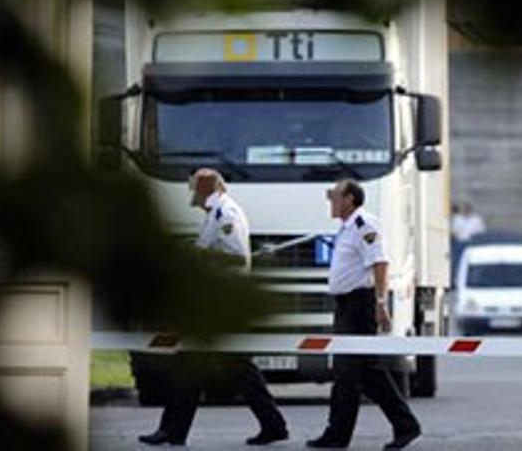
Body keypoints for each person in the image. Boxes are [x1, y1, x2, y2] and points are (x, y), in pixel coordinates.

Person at [138, 168, 288, 447]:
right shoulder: (214, 214)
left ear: (204, 188)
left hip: (222, 303)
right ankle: (175, 431)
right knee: (202, 367)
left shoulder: (225, 215)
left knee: (209, 367)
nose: (190, 194)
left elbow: (238, 260)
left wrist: (196, 254)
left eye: (193, 188)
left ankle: (173, 430)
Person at [307, 179, 422, 450]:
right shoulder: (347, 228)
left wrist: (381, 303)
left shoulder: (364, 225)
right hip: (346, 305)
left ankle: (337, 435)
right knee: (366, 372)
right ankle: (405, 426)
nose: (330, 202)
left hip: (360, 305)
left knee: (348, 373)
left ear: (349, 199)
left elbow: (380, 263)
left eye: (334, 196)